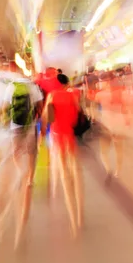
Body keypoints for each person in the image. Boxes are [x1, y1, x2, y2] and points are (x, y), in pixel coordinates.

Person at [2, 75, 43, 248]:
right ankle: (29, 179)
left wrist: (6, 121)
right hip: (30, 126)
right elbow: (39, 106)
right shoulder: (32, 87)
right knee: (32, 152)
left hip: (15, 126)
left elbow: (5, 107)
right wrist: (37, 120)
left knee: (16, 151)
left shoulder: (11, 87)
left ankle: (20, 171)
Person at [42, 74, 83, 238]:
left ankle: (73, 223)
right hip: (70, 136)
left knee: (66, 176)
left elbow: (47, 117)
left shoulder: (52, 95)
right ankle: (80, 217)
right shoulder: (73, 95)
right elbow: (78, 113)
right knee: (76, 175)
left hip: (57, 135)